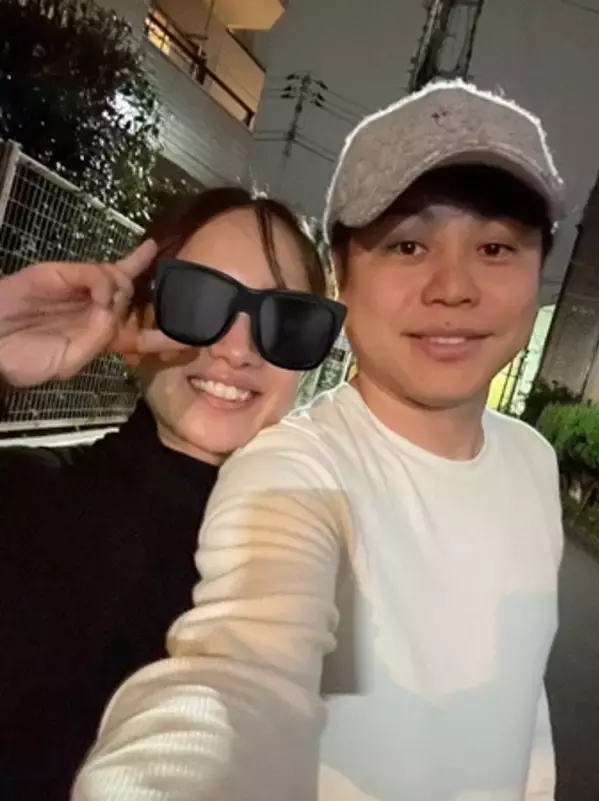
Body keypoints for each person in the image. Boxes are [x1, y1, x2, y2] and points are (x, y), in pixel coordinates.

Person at [72, 80, 565, 801]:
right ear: (343, 275)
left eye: (495, 247)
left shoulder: (531, 460)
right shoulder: (295, 470)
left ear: (540, 268)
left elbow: (520, 710)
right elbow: (240, 674)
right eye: (407, 244)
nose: (453, 287)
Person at [0, 186, 341, 801]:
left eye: (286, 320)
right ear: (134, 316)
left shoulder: (313, 583)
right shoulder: (21, 496)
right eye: (197, 300)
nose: (236, 350)